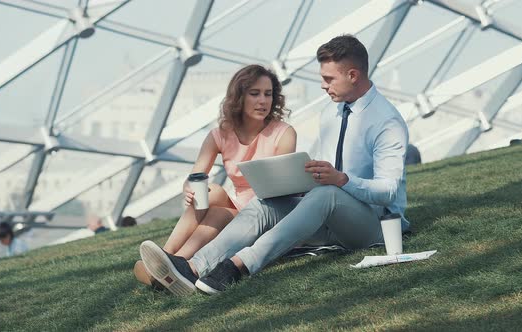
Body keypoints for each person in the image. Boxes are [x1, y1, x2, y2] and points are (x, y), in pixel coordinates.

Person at [139, 35, 409, 296]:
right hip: (324, 219)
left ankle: (237, 265)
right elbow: (321, 172)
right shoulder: (331, 111)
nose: (323, 86)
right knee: (263, 204)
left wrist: (341, 179)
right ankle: (192, 267)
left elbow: (388, 191)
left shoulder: (386, 122)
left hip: (373, 225)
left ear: (352, 75)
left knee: (328, 194)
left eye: (329, 79)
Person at [134, 64, 297, 289]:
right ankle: (168, 256)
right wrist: (189, 188)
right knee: (210, 192)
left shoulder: (283, 133)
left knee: (219, 213)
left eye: (268, 94)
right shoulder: (221, 134)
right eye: (255, 93)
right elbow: (195, 175)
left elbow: (282, 186)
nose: (263, 101)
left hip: (264, 212)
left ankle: (175, 263)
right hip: (237, 205)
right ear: (239, 97)